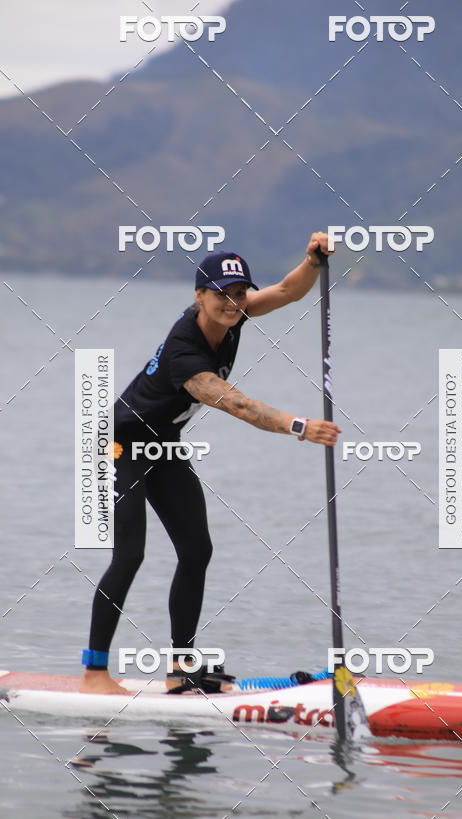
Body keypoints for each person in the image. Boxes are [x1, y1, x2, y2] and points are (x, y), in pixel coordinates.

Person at [78, 232, 340, 694]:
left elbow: (285, 291)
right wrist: (299, 426)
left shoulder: (232, 316)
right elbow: (235, 404)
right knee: (130, 554)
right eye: (221, 295)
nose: (233, 303)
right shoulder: (185, 350)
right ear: (199, 295)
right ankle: (95, 674)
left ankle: (181, 669)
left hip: (164, 445)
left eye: (239, 294)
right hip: (119, 447)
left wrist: (313, 261)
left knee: (197, 550)